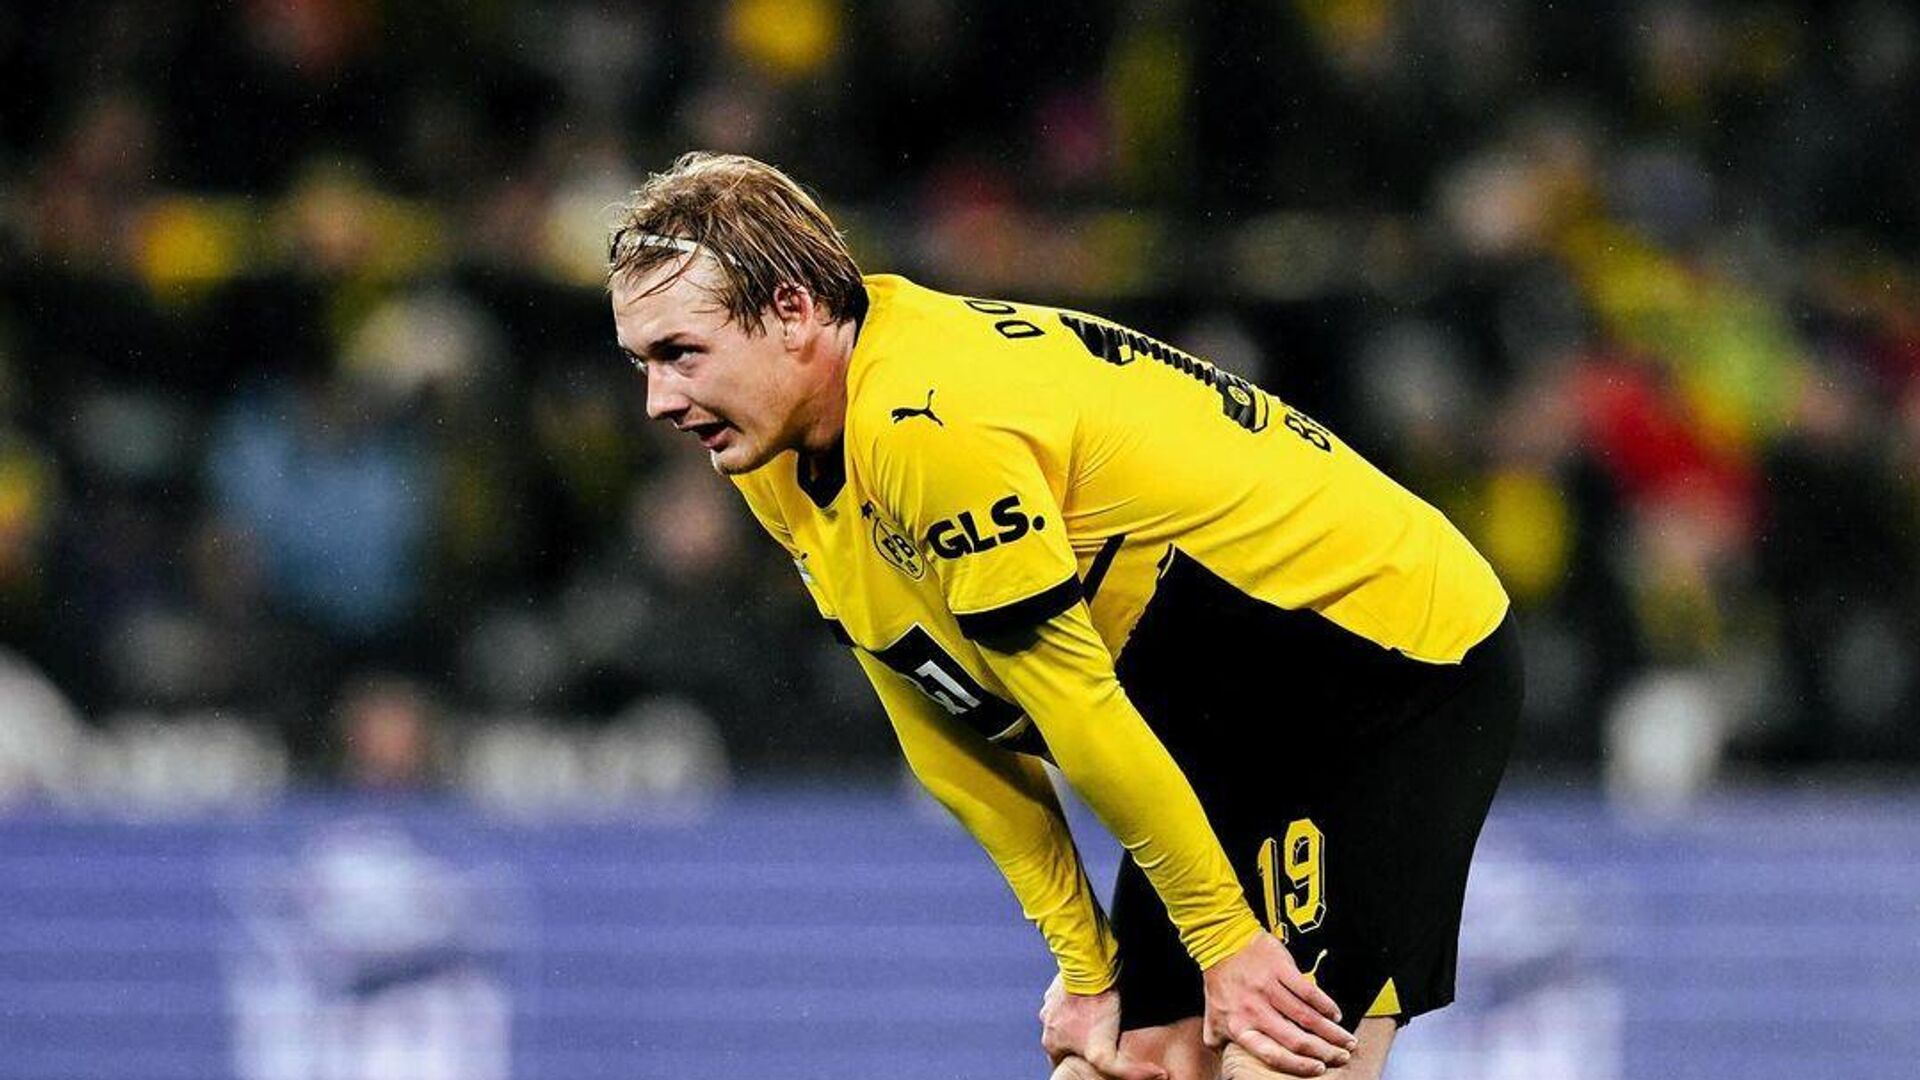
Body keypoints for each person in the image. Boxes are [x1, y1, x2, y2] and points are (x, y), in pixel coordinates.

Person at [606, 152, 1521, 1080]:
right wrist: (1088, 962)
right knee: (1117, 1065)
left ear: (793, 311)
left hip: (1380, 664)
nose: (658, 400)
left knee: (1275, 1057)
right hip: (1217, 706)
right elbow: (932, 715)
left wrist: (1223, 940)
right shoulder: (775, 446)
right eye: (641, 362)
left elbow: (1074, 701)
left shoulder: (931, 422)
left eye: (680, 353)